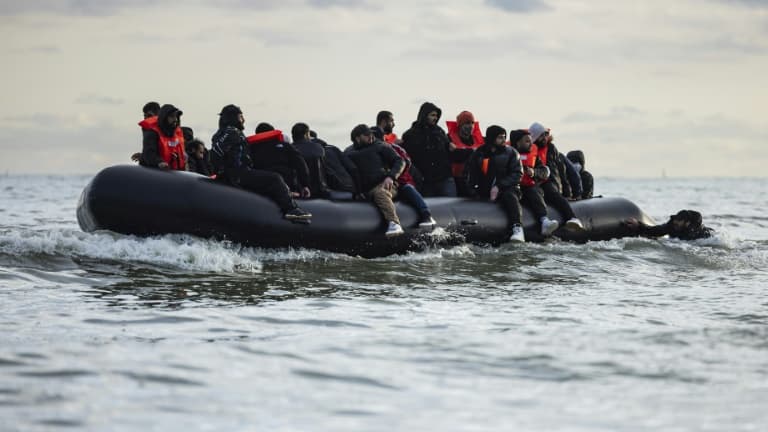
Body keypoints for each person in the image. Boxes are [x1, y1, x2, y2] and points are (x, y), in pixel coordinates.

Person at [210, 104, 311, 221]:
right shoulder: (232, 132)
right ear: (233, 118)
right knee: (275, 178)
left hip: (232, 174)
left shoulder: (220, 133)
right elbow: (216, 153)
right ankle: (291, 210)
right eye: (241, 117)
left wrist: (220, 172)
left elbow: (216, 154)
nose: (243, 120)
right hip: (239, 174)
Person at [465, 126, 526, 242]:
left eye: (504, 137)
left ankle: (517, 228)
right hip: (485, 190)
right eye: (500, 138)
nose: (503, 140)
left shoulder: (512, 153)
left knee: (510, 196)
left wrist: (499, 186)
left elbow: (517, 174)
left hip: (508, 188)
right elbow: (470, 174)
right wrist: (473, 190)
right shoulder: (479, 153)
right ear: (492, 138)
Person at [344, 124, 406, 237]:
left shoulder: (380, 146)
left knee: (380, 193)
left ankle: (394, 224)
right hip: (364, 190)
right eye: (367, 135)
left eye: (372, 134)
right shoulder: (348, 153)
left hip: (386, 185)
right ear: (358, 138)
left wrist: (391, 176)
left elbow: (400, 161)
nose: (371, 137)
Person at [370, 126, 436, 228]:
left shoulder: (393, 148)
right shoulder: (368, 152)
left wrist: (394, 175)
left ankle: (426, 214)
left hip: (401, 181)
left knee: (407, 188)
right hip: (383, 185)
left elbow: (405, 162)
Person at [528, 122, 584, 230]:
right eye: (541, 135)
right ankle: (543, 221)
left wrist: (569, 193)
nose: (544, 138)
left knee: (553, 194)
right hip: (534, 184)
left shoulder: (551, 149)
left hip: (550, 182)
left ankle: (572, 218)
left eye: (545, 134)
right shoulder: (529, 150)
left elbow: (563, 172)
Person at [508, 129, 561, 237]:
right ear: (518, 143)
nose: (531, 144)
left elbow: (544, 171)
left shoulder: (534, 156)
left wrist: (534, 172)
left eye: (531, 141)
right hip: (513, 188)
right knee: (511, 196)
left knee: (535, 191)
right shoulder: (507, 154)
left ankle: (544, 220)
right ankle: (517, 228)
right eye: (527, 141)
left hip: (528, 187)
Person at [401, 102, 456, 197]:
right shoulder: (410, 135)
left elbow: (449, 149)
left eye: (436, 116)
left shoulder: (440, 132)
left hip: (444, 178)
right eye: (432, 115)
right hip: (425, 181)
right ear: (424, 115)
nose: (435, 118)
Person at [247, 122, 311, 199]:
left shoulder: (250, 149)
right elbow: (300, 165)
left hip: (261, 189)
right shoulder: (286, 146)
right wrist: (305, 185)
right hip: (286, 185)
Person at [446, 110, 484, 196]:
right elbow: (455, 156)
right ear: (460, 125)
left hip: (474, 179)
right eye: (467, 123)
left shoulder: (480, 140)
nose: (470, 126)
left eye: (472, 123)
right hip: (455, 180)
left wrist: (463, 152)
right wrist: (473, 152)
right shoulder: (449, 139)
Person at [138, 103, 187, 170]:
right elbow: (149, 153)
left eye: (176, 117)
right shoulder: (152, 132)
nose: (175, 119)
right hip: (154, 172)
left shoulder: (177, 134)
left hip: (173, 173)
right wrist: (159, 162)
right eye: (172, 116)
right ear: (164, 117)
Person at [291, 122, 331, 199]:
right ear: (306, 134)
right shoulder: (318, 147)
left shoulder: (289, 149)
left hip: (300, 192)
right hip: (320, 190)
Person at [622, 210, 713, 240]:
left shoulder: (698, 233)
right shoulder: (672, 226)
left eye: (679, 220)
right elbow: (655, 230)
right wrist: (638, 225)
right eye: (676, 219)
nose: (675, 222)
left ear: (687, 223)